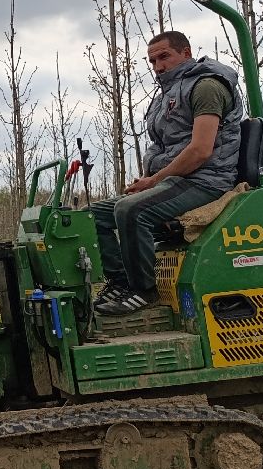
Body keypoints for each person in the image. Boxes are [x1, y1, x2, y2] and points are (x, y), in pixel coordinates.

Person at [92, 30, 243, 316]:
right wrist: (148, 180)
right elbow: (167, 146)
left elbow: (200, 150)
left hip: (206, 180)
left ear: (185, 53)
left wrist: (154, 181)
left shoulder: (207, 86)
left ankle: (143, 291)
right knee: (93, 215)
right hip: (176, 180)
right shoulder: (167, 95)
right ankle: (121, 281)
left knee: (131, 210)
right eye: (152, 62)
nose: (158, 66)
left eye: (164, 57)